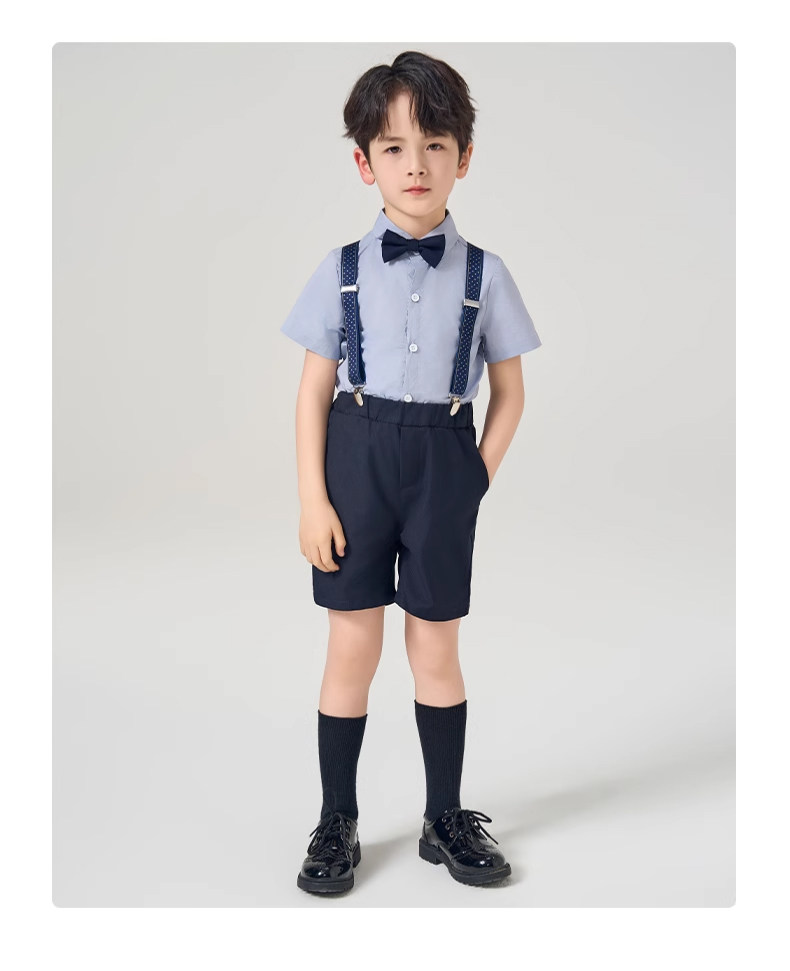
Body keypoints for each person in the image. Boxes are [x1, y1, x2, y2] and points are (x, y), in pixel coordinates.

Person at [280, 50, 542, 894]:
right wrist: (313, 497)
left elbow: (510, 391)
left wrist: (473, 478)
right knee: (351, 645)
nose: (416, 164)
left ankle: (443, 814)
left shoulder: (487, 274)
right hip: (355, 459)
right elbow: (312, 390)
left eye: (435, 144)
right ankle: (337, 817)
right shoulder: (341, 268)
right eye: (394, 147)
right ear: (366, 164)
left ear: (464, 156)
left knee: (435, 644)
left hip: (442, 461)